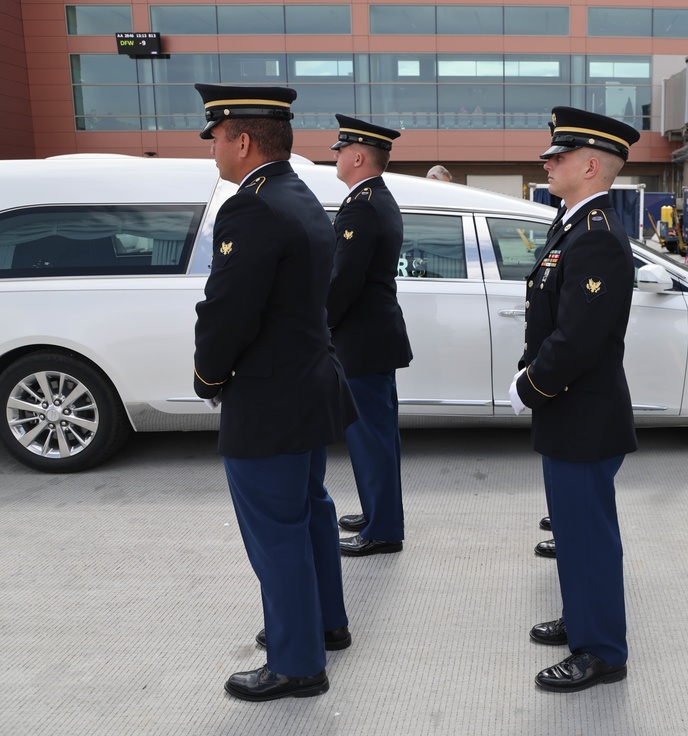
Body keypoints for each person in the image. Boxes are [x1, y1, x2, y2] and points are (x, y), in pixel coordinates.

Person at [192, 83, 358, 701]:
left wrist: (209, 376)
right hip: (309, 386)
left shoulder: (251, 208)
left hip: (268, 398)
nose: (213, 152)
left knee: (277, 531)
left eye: (215, 139)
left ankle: (296, 663)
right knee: (309, 512)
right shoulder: (300, 196)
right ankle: (324, 624)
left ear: (241, 140)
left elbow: (229, 309)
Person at [509, 106, 640, 693]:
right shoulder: (573, 223)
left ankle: (601, 651)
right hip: (570, 409)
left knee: (587, 534)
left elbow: (579, 338)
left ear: (590, 165)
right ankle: (583, 618)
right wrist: (530, 371)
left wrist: (530, 384)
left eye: (558, 156)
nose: (548, 162)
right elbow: (550, 318)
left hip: (582, 411)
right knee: (573, 528)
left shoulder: (597, 238)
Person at [327, 114, 413, 557]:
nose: (335, 155)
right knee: (375, 436)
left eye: (340, 149)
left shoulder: (363, 205)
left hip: (361, 339)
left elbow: (344, 279)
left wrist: (318, 323)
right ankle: (377, 509)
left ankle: (382, 530)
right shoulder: (376, 198)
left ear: (359, 156)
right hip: (372, 337)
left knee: (371, 437)